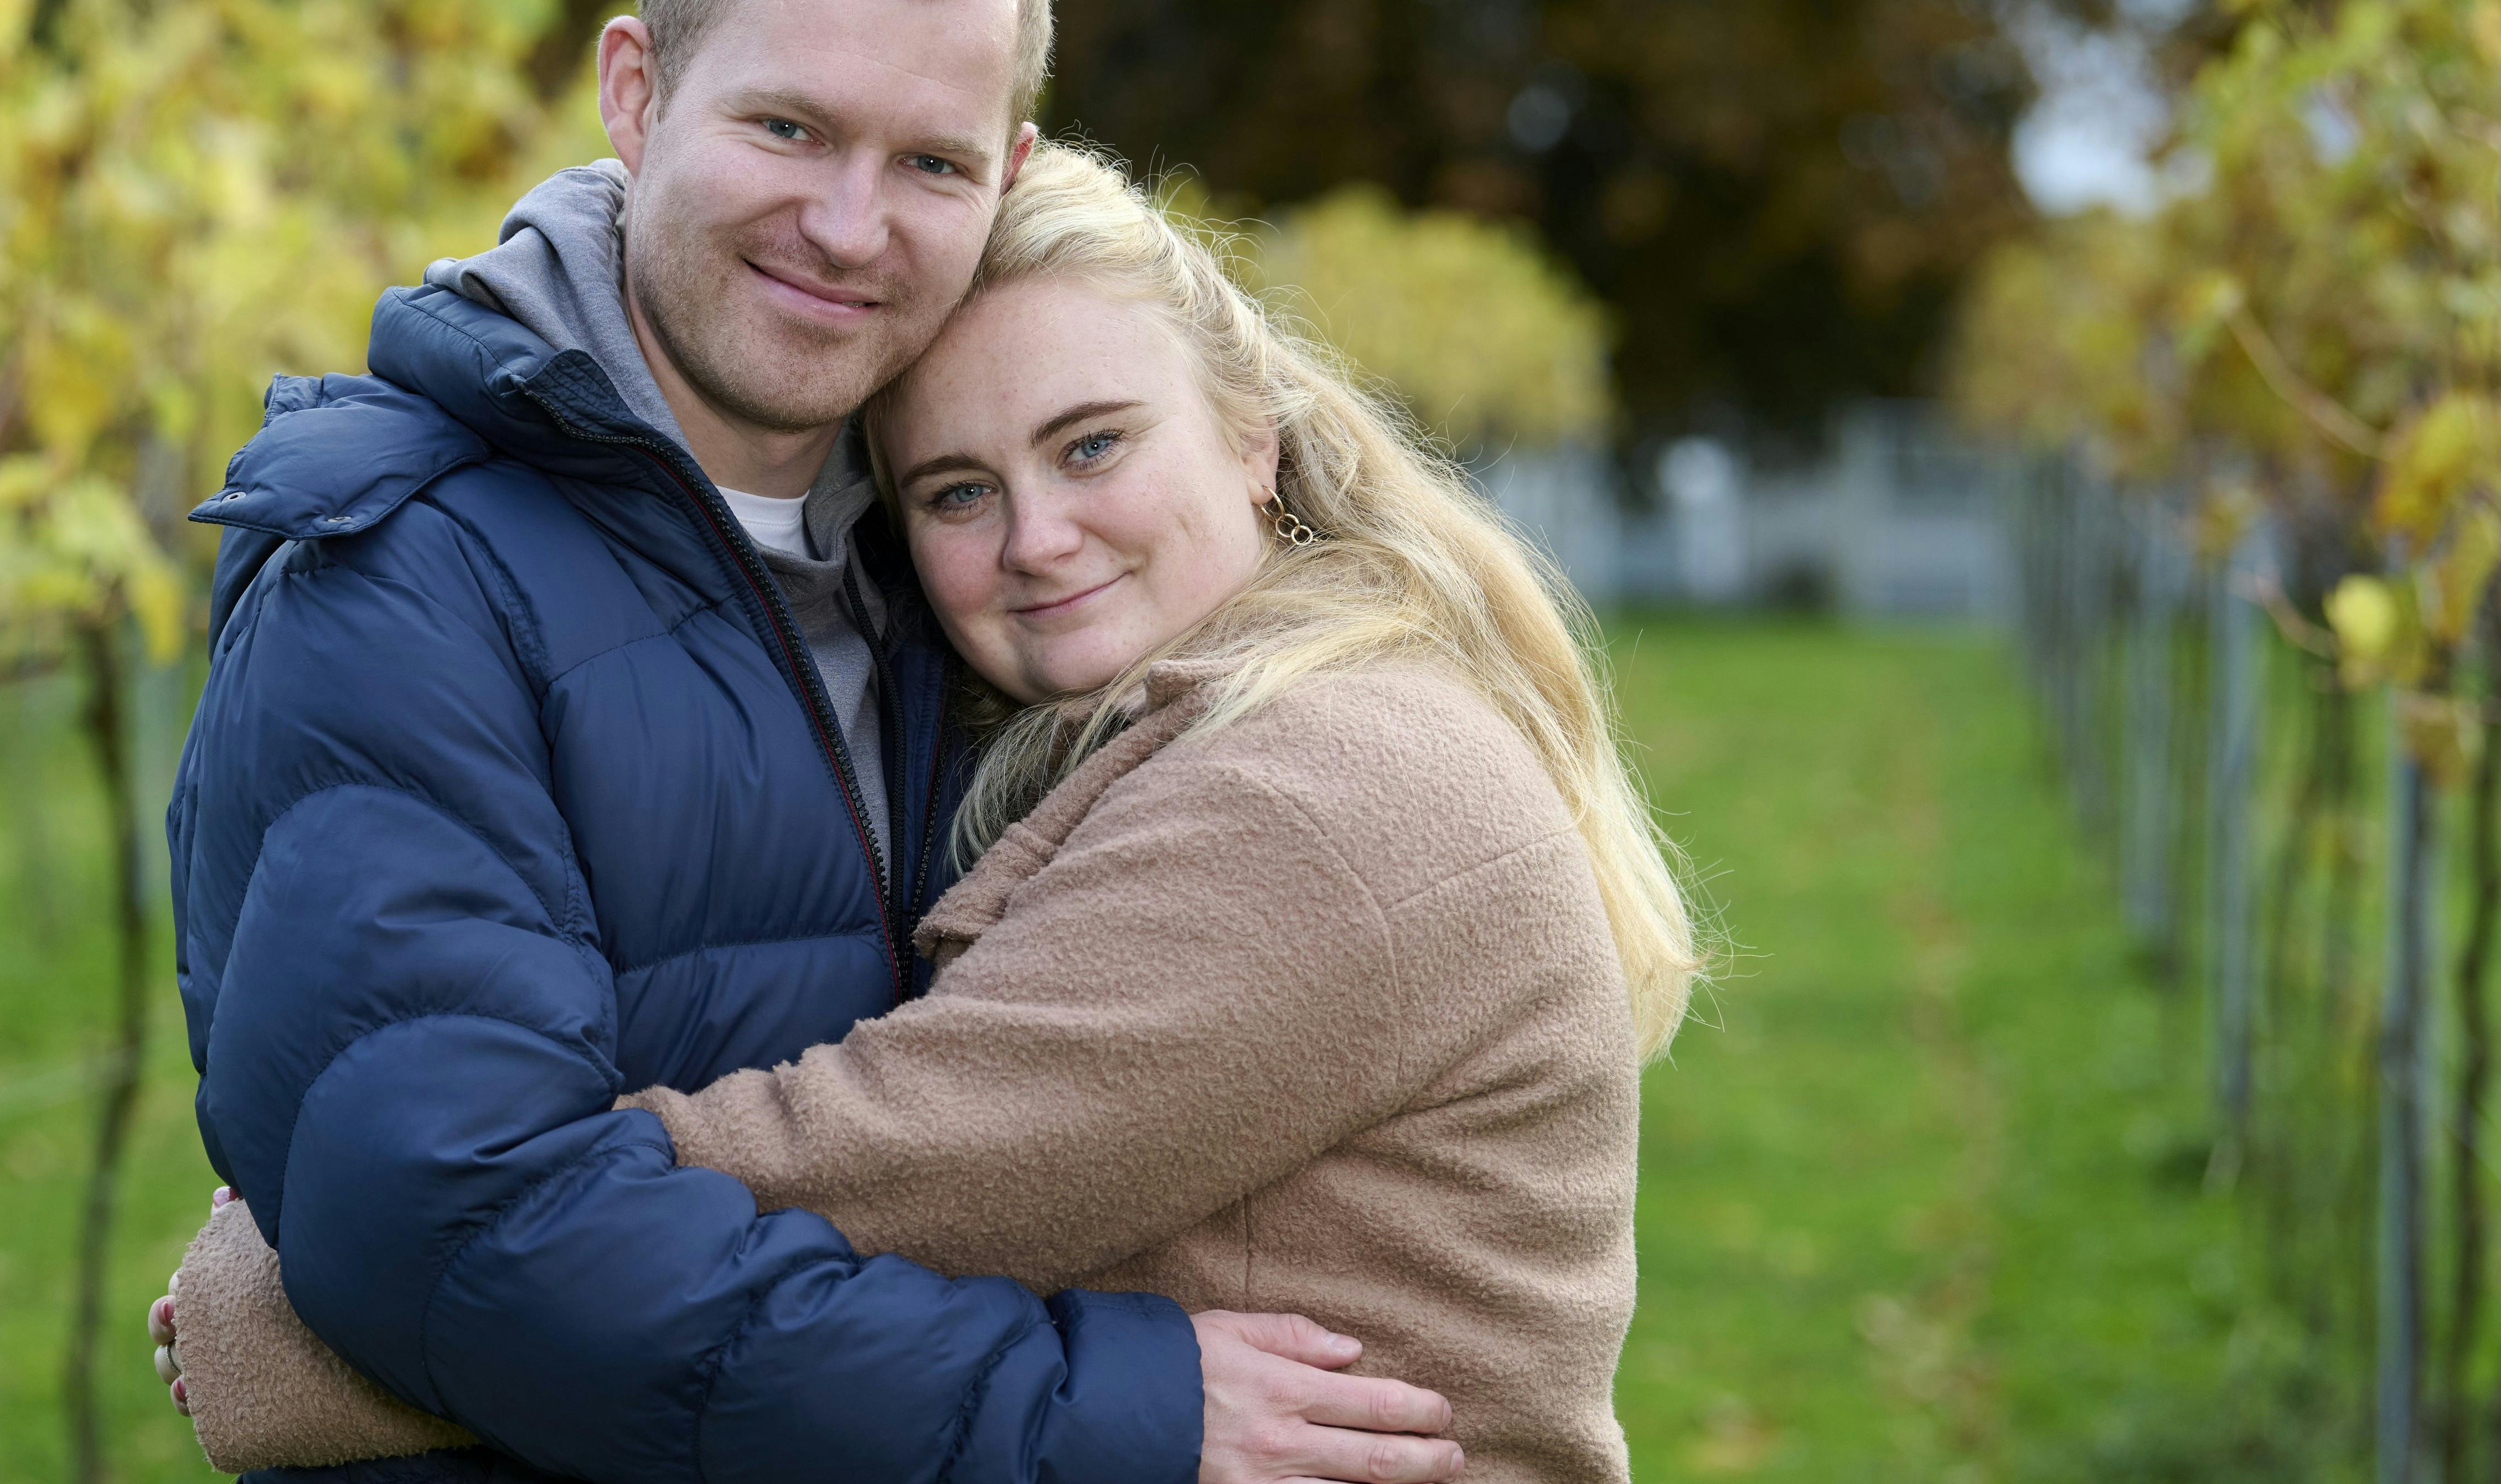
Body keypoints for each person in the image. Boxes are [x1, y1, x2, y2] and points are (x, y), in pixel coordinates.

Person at [164, 0, 1468, 1484]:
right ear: (636, 94)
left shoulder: (966, 570)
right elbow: (458, 1230)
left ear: (1007, 175)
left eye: (931, 164)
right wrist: (1077, 1415)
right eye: (789, 128)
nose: (851, 228)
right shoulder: (403, 582)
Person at [157, 143, 1703, 1482]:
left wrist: (315, 1290)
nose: (1038, 537)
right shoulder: (1225, 722)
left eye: (1092, 445)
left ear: (1253, 438)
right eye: (959, 492)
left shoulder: (1327, 791)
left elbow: (879, 1181)